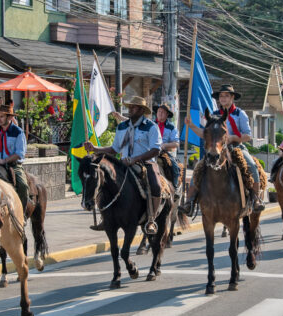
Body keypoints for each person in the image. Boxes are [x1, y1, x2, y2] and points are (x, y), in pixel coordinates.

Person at [181, 84, 265, 215]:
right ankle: (189, 202)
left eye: (226, 95)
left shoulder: (240, 114)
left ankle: (256, 199)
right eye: (221, 96)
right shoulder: (213, 115)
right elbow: (205, 134)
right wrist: (190, 125)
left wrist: (231, 138)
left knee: (252, 165)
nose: (223, 98)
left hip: (236, 147)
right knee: (198, 168)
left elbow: (248, 135)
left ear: (232, 98)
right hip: (217, 150)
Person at [85, 96, 164, 235]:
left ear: (140, 110)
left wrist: (135, 159)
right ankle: (106, 218)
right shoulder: (122, 126)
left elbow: (156, 149)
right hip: (123, 164)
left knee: (156, 186)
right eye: (130, 107)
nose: (130, 110)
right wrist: (95, 149)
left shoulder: (151, 126)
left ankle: (151, 219)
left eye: (133, 107)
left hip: (145, 164)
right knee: (105, 183)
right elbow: (114, 149)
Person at [0, 103, 31, 208]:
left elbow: (20, 153)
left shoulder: (18, 132)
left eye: (1, 116)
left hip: (13, 166)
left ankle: (22, 213)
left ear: (10, 117)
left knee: (23, 186)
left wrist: (4, 160)